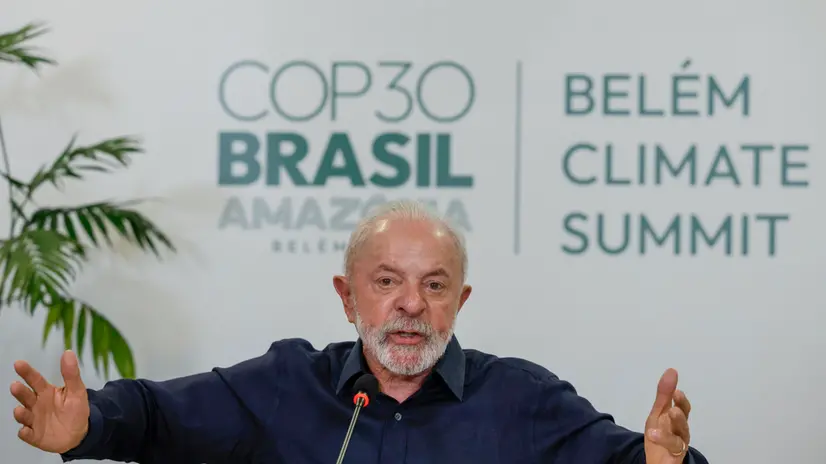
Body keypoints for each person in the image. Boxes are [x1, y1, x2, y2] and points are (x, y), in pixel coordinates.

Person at [9, 199, 709, 463]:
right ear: (348, 298)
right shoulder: (285, 385)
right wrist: (88, 425)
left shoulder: (524, 400)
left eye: (434, 286)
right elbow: (158, 418)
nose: (411, 305)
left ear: (458, 302)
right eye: (386, 282)